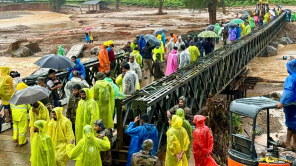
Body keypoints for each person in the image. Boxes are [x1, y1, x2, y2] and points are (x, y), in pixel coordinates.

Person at [277, 58, 296, 149]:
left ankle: (294, 144)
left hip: (291, 103)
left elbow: (288, 92)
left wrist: (282, 102)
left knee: (292, 123)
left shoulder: (291, 78)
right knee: (291, 123)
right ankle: (287, 142)